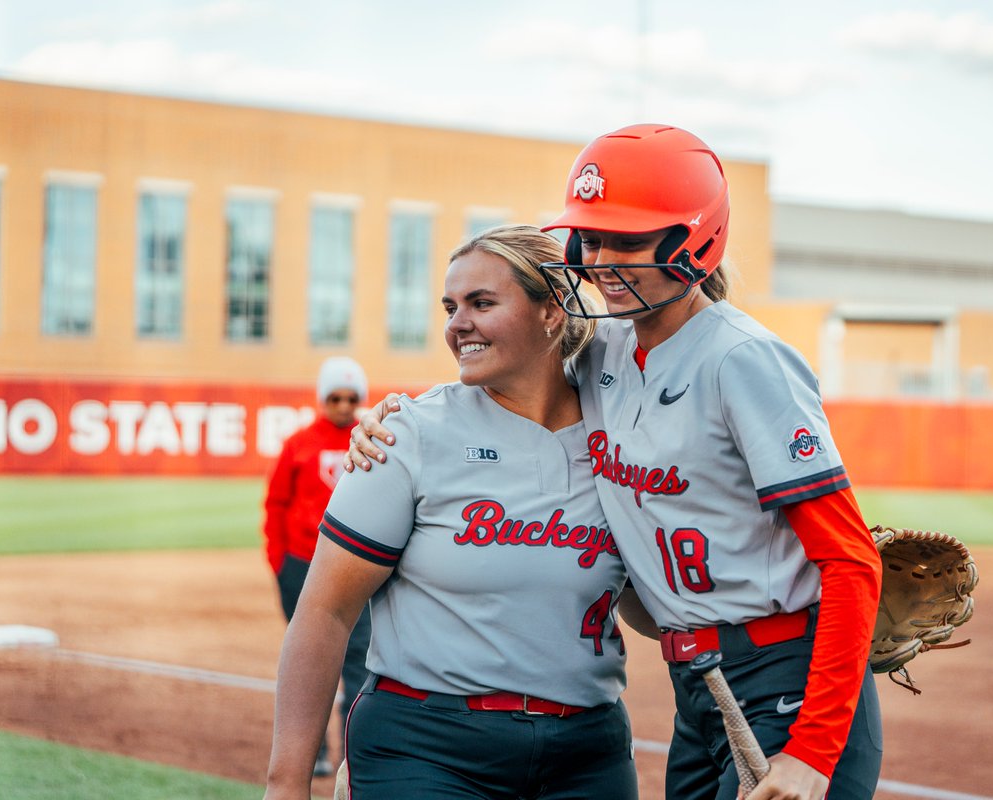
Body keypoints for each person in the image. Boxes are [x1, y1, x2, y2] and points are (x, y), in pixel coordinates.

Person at [348, 125, 884, 800]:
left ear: (693, 239)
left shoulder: (741, 359)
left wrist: (812, 752)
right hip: (700, 687)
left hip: (784, 680)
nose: (600, 259)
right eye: (590, 239)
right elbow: (507, 375)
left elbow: (851, 559)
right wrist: (393, 413)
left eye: (627, 239)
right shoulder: (601, 355)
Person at [264, 226, 644, 800]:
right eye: (450, 307)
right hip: (427, 747)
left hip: (588, 751)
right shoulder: (410, 435)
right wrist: (287, 784)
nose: (456, 324)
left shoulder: (621, 437)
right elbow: (324, 611)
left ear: (551, 311)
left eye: (481, 303)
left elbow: (653, 606)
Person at [262, 356, 373, 776]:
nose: (344, 405)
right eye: (335, 397)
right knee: (311, 660)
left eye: (351, 398)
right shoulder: (299, 443)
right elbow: (275, 504)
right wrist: (279, 562)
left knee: (358, 660)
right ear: (322, 398)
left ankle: (350, 754)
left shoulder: (371, 437)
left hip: (353, 568)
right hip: (300, 565)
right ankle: (315, 753)